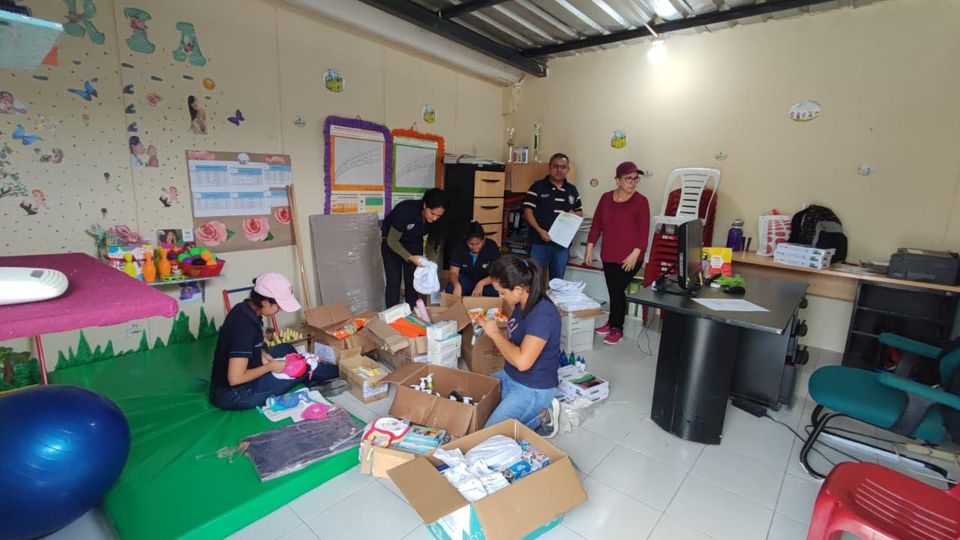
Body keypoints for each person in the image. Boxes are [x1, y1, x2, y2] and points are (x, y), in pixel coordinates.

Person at [209, 273, 345, 410]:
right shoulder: (245, 326)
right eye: (278, 306)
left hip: (239, 375)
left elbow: (244, 345)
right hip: (234, 394)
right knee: (303, 366)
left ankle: (311, 379)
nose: (280, 310)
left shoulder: (245, 309)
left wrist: (260, 353)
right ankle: (340, 373)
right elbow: (235, 379)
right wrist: (269, 367)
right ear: (265, 302)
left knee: (286, 348)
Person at [481, 255, 561, 438]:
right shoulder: (521, 303)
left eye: (502, 293)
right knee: (474, 402)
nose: (500, 297)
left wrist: (495, 334)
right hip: (509, 375)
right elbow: (515, 340)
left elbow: (523, 362)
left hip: (532, 387)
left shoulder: (543, 314)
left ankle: (543, 415)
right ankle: (530, 415)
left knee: (488, 436)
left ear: (518, 289)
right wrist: (501, 341)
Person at [584, 161, 651, 346]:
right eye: (628, 179)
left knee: (617, 290)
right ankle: (612, 322)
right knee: (614, 290)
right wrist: (589, 247)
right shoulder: (606, 198)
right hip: (609, 254)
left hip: (631, 257)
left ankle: (617, 328)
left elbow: (644, 231)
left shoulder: (641, 201)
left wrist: (636, 253)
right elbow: (597, 224)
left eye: (636, 179)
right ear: (617, 180)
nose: (633, 183)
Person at [381, 188, 447, 307]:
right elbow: (392, 240)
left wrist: (430, 265)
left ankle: (412, 311)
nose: (435, 218)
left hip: (414, 243)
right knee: (394, 281)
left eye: (439, 215)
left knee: (413, 281)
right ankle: (392, 313)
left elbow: (433, 244)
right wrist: (410, 257)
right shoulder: (406, 210)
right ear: (425, 205)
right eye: (432, 213)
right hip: (392, 244)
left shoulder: (437, 220)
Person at [523, 153, 583, 280]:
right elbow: (528, 212)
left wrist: (574, 214)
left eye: (563, 167)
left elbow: (579, 212)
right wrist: (539, 231)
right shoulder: (537, 187)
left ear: (568, 169)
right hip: (539, 243)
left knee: (558, 282)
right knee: (533, 279)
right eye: (556, 166)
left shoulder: (572, 189)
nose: (559, 170)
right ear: (549, 168)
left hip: (561, 245)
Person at [447, 221, 500, 297]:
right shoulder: (459, 247)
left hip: (486, 282)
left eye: (478, 243)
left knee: (497, 290)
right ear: (466, 241)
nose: (474, 247)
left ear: (483, 240)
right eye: (471, 244)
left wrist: (482, 283)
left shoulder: (491, 246)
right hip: (466, 280)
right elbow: (453, 272)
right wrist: (456, 285)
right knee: (451, 289)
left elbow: (498, 273)